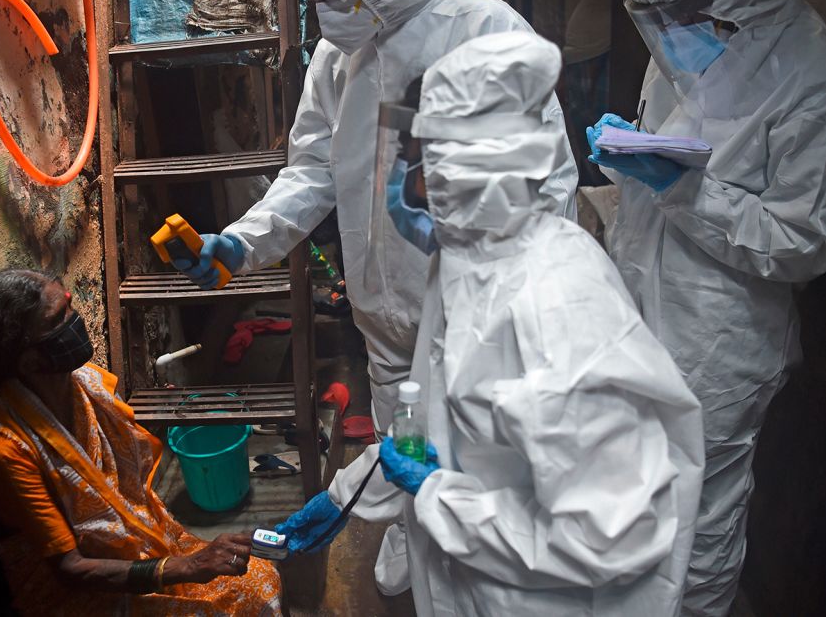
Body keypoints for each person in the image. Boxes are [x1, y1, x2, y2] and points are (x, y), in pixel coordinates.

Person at [174, 0, 578, 595]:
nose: (324, 7)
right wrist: (243, 241)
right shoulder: (335, 62)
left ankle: (484, 570)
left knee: (484, 457)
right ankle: (407, 530)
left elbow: (547, 185)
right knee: (402, 439)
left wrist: (519, 299)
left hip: (475, 318)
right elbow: (311, 172)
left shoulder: (484, 30)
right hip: (383, 317)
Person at [276, 31, 705, 616]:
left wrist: (439, 500)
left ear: (468, 169)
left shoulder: (560, 308)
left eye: (414, 160)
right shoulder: (467, 263)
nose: (403, 183)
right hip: (472, 588)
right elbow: (433, 424)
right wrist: (345, 495)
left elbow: (612, 533)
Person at [586, 0, 826, 616]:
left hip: (721, 346)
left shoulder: (824, 82)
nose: (662, 35)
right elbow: (663, 155)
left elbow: (801, 241)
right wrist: (627, 155)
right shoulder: (676, 43)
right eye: (648, 20)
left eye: (673, 18)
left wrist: (682, 190)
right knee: (634, 497)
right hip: (640, 313)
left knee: (701, 521)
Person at [0, 269, 282, 615]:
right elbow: (70, 569)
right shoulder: (6, 448)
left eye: (70, 305)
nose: (75, 320)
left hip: (137, 547)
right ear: (29, 360)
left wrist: (190, 562)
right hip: (78, 587)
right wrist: (188, 566)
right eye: (60, 318)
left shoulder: (86, 384)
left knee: (261, 579)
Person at [560, 0, 615, 187]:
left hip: (598, 65)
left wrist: (593, 69)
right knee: (581, 138)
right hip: (578, 63)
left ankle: (604, 196)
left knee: (599, 142)